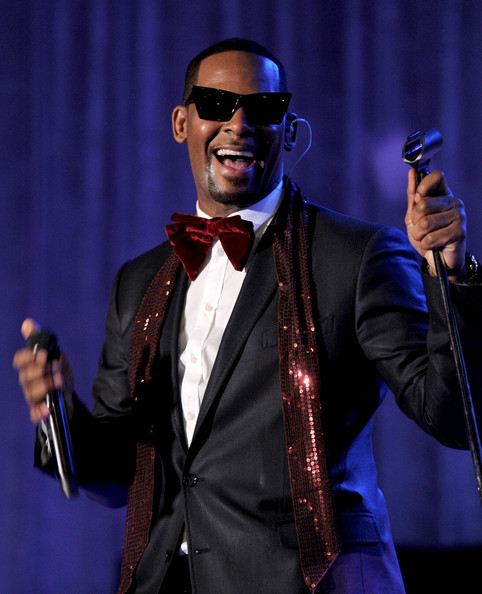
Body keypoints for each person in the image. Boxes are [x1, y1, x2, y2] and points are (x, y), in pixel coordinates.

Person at [13, 38, 482, 594]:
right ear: (182, 123)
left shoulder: (356, 255)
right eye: (215, 103)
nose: (238, 124)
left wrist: (453, 279)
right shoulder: (138, 282)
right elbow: (121, 476)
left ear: (286, 129)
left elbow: (452, 416)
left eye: (260, 109)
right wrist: (59, 415)